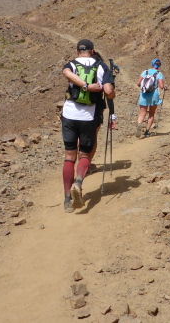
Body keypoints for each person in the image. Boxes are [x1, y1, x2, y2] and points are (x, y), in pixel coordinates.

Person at [60, 39, 116, 212]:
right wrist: (103, 90)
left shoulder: (71, 64)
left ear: (77, 51)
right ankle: (78, 182)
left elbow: (66, 72)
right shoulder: (101, 66)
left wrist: (84, 86)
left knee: (69, 155)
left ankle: (67, 199)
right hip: (88, 116)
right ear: (92, 51)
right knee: (84, 154)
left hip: (69, 114)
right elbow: (109, 92)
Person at [135, 58, 166, 138]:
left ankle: (139, 124)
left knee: (142, 113)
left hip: (144, 94)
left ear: (152, 64)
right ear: (159, 65)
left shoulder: (145, 72)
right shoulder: (159, 74)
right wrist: (165, 87)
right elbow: (161, 86)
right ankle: (147, 131)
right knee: (151, 114)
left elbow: (138, 83)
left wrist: (143, 88)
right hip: (154, 95)